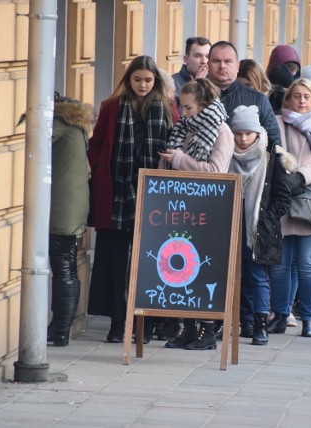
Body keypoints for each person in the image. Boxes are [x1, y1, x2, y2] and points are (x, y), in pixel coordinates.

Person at [87, 55, 172, 343]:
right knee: (114, 259)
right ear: (128, 79)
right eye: (137, 79)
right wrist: (98, 169)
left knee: (150, 260)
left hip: (154, 195)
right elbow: (96, 143)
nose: (143, 85)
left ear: (156, 81)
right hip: (116, 194)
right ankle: (116, 321)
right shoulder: (111, 106)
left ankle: (144, 324)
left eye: (148, 80)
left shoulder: (166, 108)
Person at [157, 78, 234, 350]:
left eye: (188, 107)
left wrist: (177, 159)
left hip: (207, 210)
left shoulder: (220, 130)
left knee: (203, 272)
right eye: (183, 106)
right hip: (181, 207)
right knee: (182, 269)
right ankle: (188, 328)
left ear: (203, 104)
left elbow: (216, 170)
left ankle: (208, 331)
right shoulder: (186, 126)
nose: (184, 112)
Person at [267, 78, 311, 338]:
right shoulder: (278, 122)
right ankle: (281, 315)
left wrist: (301, 176)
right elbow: (273, 153)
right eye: (296, 96)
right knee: (281, 265)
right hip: (283, 197)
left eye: (307, 96)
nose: (302, 101)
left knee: (307, 263)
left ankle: (308, 317)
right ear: (288, 99)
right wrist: (286, 179)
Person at [228, 105, 293, 345]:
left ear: (257, 132)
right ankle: (242, 320)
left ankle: (260, 325)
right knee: (233, 274)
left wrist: (267, 219)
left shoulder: (271, 157)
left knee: (257, 276)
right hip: (231, 225)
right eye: (238, 133)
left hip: (258, 228)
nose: (243, 139)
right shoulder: (226, 154)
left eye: (248, 133)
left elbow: (283, 196)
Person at [41, 93, 93, 347]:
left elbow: (31, 146)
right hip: (74, 204)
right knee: (68, 267)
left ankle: (60, 330)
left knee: (62, 268)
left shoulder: (57, 123)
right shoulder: (75, 122)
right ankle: (62, 328)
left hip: (62, 206)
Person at [207, 41, 281, 150]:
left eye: (228, 61)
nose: (222, 66)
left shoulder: (258, 100)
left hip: (247, 166)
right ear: (208, 64)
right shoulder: (194, 96)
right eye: (216, 61)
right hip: (200, 166)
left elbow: (274, 144)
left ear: (237, 66)